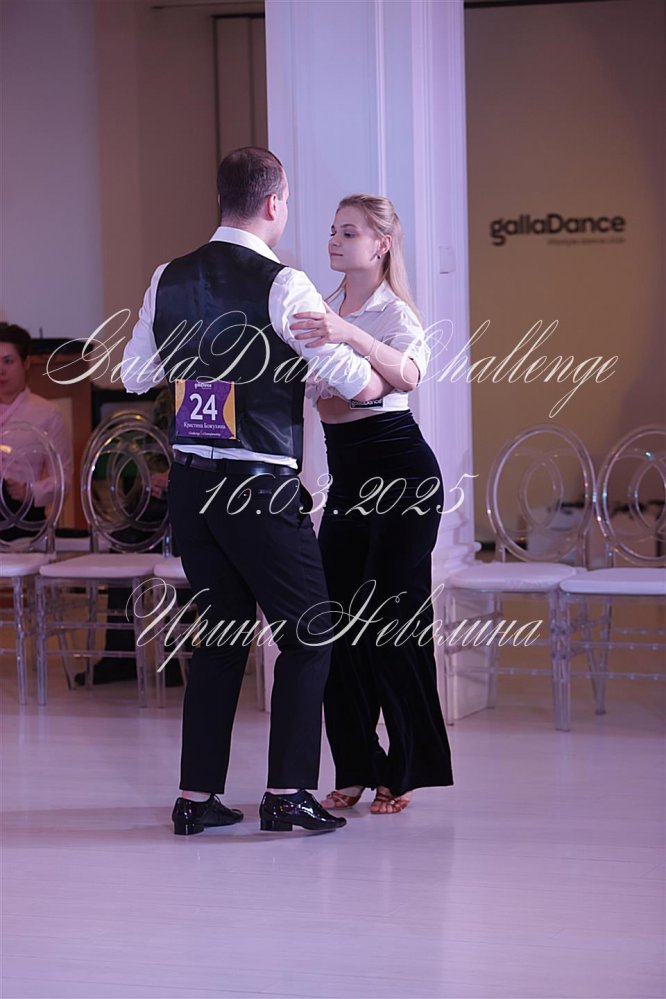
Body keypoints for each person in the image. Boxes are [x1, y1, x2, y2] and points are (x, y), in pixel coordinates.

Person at [121, 148, 391, 835]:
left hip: (192, 488)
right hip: (257, 488)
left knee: (220, 636)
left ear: (223, 198)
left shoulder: (167, 276)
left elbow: (134, 374)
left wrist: (201, 358)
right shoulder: (284, 283)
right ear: (275, 203)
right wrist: (380, 375)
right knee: (311, 633)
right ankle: (288, 792)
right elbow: (354, 381)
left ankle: (195, 798)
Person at [290, 194, 453, 814]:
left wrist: (350, 337)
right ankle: (357, 764)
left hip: (403, 478)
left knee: (391, 626)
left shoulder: (394, 314)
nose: (334, 241)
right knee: (331, 626)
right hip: (349, 481)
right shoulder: (322, 310)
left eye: (349, 232)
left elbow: (406, 376)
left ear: (381, 244)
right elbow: (339, 395)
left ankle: (406, 769)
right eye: (333, 231)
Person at [0, 323, 73, 539]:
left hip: (23, 516)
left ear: (26, 363)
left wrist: (30, 491)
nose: (1, 371)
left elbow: (63, 478)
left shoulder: (47, 413)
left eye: (8, 361)